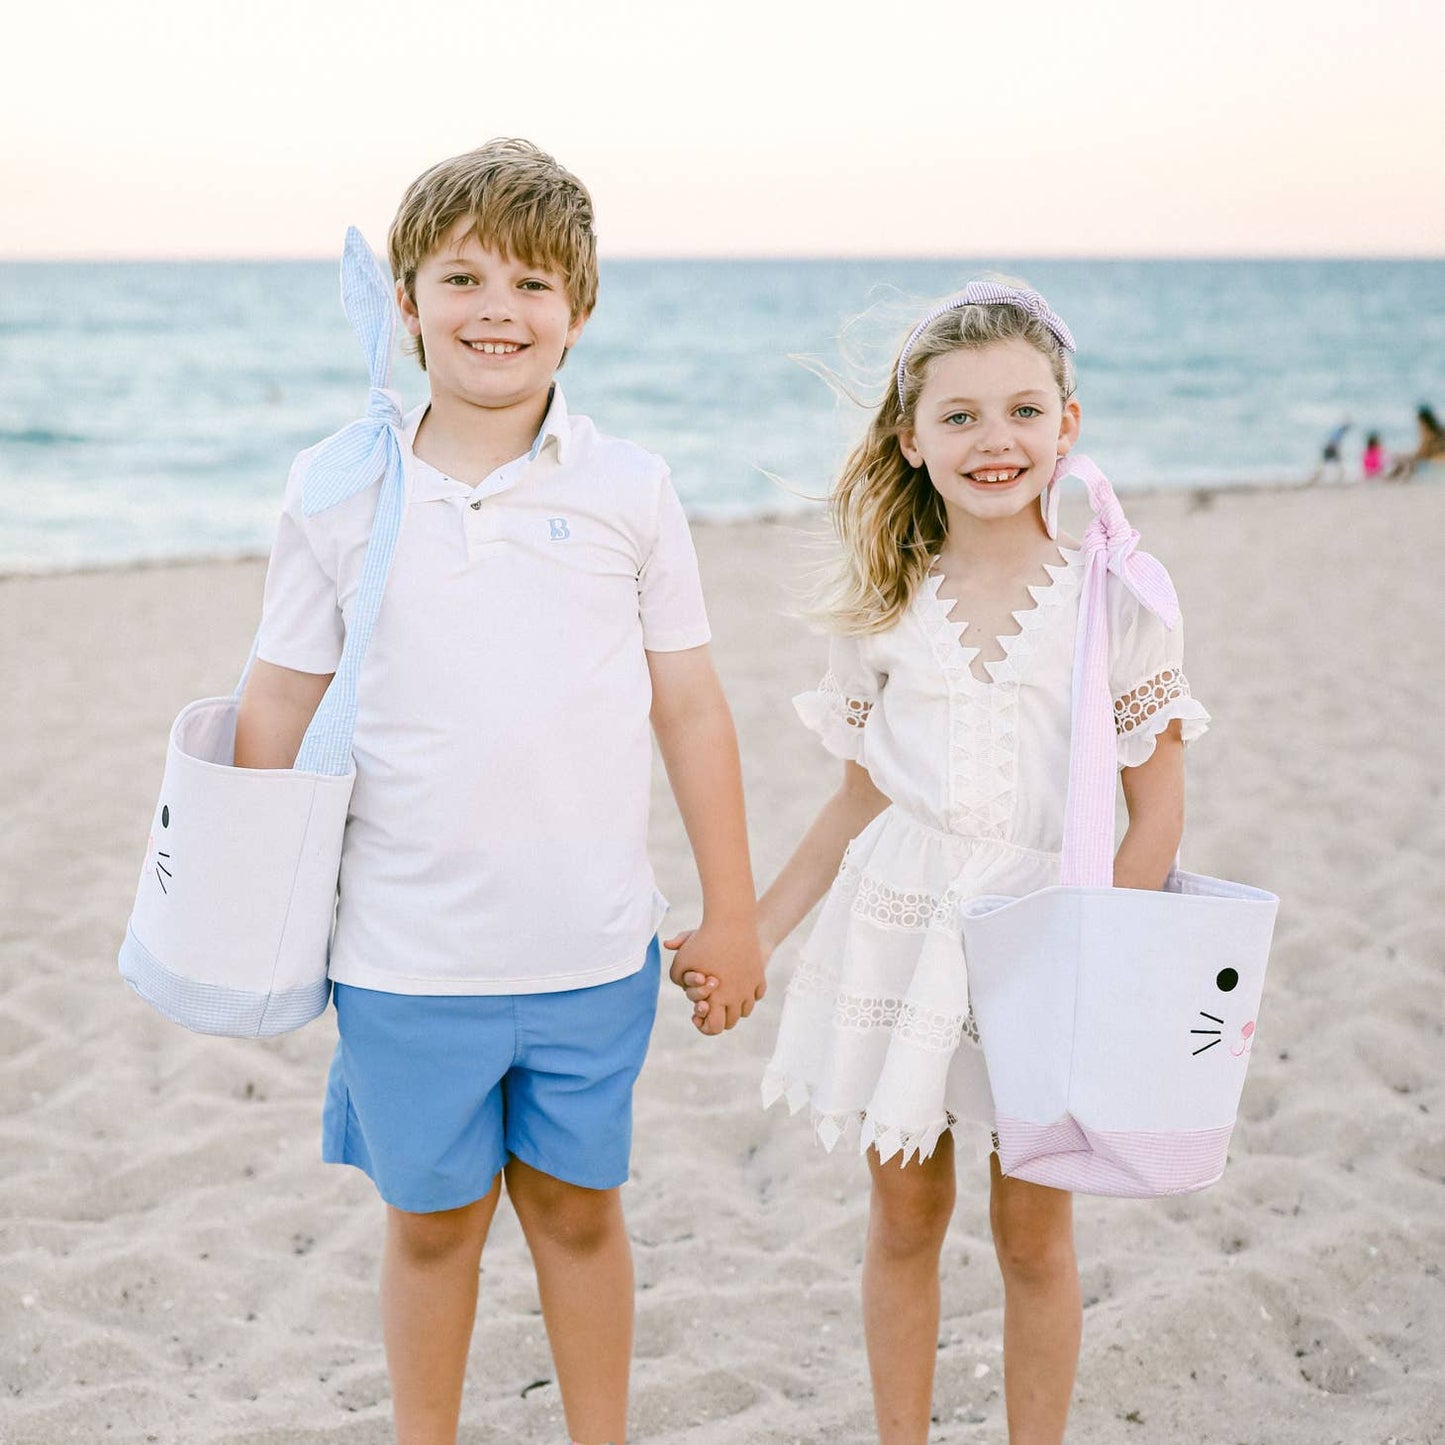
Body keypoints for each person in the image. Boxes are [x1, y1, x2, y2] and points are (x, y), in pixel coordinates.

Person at [235, 139, 766, 1445]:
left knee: (582, 1213)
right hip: (402, 956)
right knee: (431, 1227)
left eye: (532, 283)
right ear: (407, 301)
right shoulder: (339, 489)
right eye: (461, 275)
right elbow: (273, 705)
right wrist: (248, 906)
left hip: (592, 949)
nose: (496, 309)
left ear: (578, 313)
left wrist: (734, 910)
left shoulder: (627, 489)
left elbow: (691, 707)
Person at [682, 283, 1209, 1443]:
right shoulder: (883, 604)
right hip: (903, 932)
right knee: (904, 1212)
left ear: (1066, 427)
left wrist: (1096, 964)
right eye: (959, 417)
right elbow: (853, 800)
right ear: (911, 440)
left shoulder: (1112, 596)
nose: (994, 440)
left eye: (1022, 410)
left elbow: (1156, 812)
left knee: (1032, 1232)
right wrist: (753, 932)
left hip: (1051, 938)